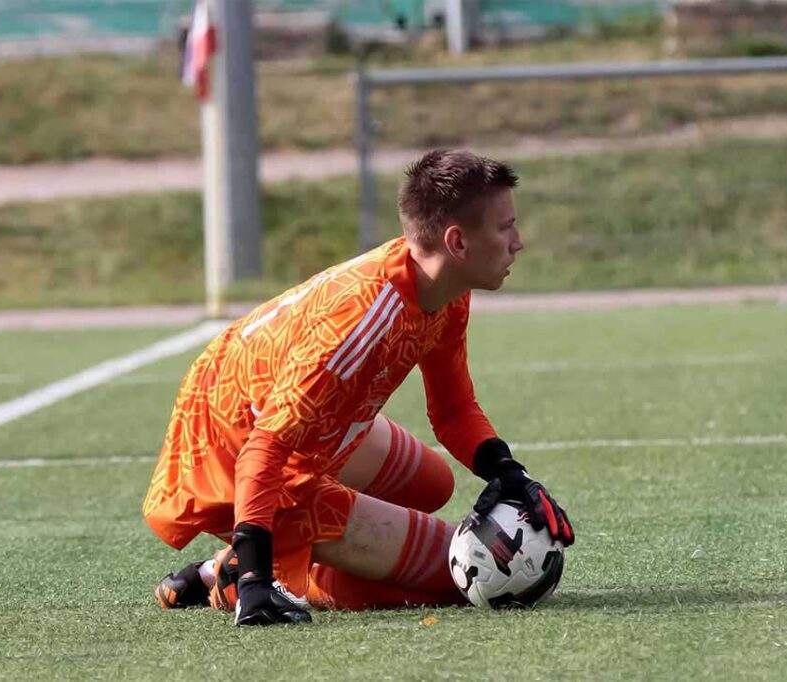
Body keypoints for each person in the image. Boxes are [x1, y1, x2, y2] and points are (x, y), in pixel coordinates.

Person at [143, 149, 574, 626]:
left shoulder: (441, 288)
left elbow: (452, 411)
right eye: (505, 227)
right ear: (457, 242)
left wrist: (509, 472)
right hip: (233, 449)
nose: (518, 242)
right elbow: (263, 448)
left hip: (289, 424)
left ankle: (254, 560)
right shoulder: (361, 324)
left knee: (433, 483)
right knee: (458, 580)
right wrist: (256, 583)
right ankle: (238, 576)